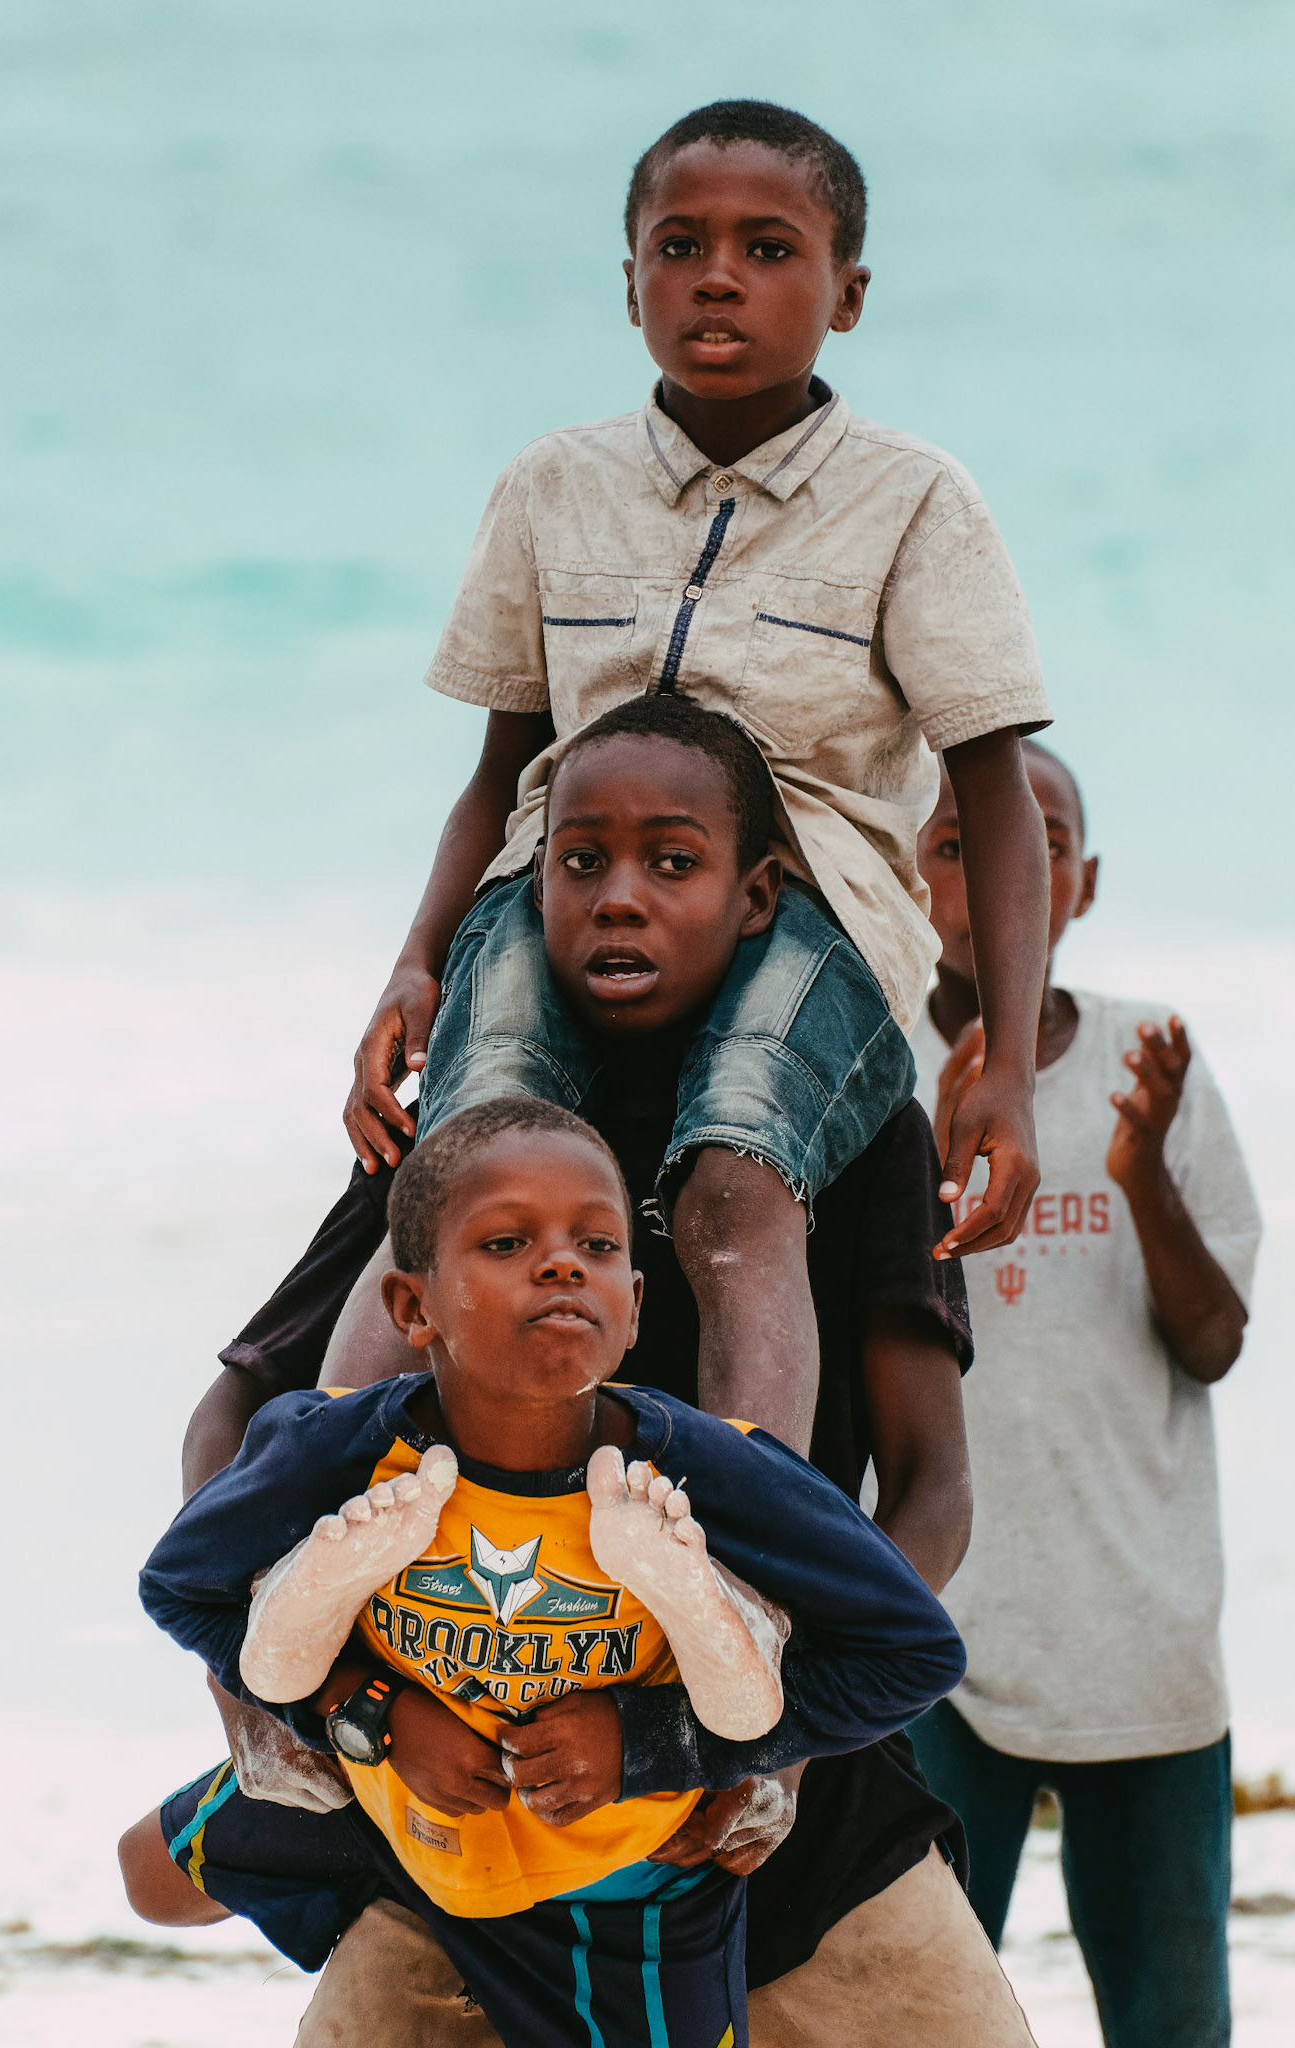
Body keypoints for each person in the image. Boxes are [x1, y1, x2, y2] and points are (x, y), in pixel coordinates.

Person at [148, 697, 1039, 2045]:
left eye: (670, 864)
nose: (620, 901)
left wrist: (737, 1736)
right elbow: (236, 1421)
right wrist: (343, 1706)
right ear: (532, 880)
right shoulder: (451, 1133)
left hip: (779, 1811)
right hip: (475, 1798)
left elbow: (933, 1491)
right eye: (580, 864)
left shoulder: (847, 1124)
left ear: (757, 901)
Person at [340, 96, 1054, 1448]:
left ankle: (734, 1521)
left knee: (734, 1184)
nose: (718, 275)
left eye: (770, 248)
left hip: (812, 911)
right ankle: (332, 1487)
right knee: (462, 1168)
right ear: (629, 286)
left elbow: (993, 794)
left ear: (846, 293)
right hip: (557, 893)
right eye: (678, 246)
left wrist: (1001, 1063)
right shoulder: (553, 484)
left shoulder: (915, 503)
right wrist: (415, 958)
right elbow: (501, 769)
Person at [132, 1098, 967, 2048]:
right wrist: (365, 1714)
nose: (562, 1262)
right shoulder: (336, 1451)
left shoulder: (710, 1473)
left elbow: (911, 1654)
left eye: (598, 1245)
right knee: (146, 1880)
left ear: (635, 1305)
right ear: (413, 1307)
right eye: (505, 1243)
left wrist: (652, 1744)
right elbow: (180, 1586)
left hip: (625, 1886)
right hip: (397, 1794)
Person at [908, 742, 1262, 2048]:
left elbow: (1214, 1339)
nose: (1004, 862)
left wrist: (1139, 1173)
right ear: (907, 879)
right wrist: (929, 1169)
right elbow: (843, 1354)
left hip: (1141, 1637)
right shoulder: (869, 1064)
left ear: (1085, 881)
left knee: (1173, 2024)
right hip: (938, 1646)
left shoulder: (1146, 1063)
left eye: (1043, 837)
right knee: (922, 2020)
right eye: (954, 842)